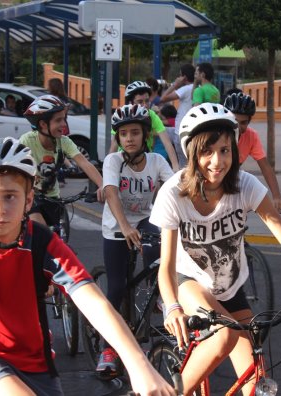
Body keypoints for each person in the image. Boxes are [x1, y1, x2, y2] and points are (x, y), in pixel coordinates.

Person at [0, 136, 175, 396]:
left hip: (37, 362)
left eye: (10, 196)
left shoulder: (40, 241)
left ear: (29, 200)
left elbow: (93, 301)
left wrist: (140, 366)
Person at [149, 103, 281, 395]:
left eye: (225, 150)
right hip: (189, 283)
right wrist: (173, 307)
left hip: (231, 287)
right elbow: (166, 266)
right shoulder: (174, 194)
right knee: (224, 335)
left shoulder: (245, 186)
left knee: (256, 385)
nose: (217, 161)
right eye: (207, 152)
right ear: (192, 154)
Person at [97, 104, 174, 378]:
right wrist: (125, 226)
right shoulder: (113, 161)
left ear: (145, 136)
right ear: (118, 138)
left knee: (158, 254)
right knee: (117, 287)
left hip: (145, 219)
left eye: (135, 133)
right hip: (116, 225)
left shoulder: (156, 161)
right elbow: (111, 193)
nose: (129, 138)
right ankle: (107, 349)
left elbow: (175, 188)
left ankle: (159, 296)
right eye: (124, 134)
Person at [20, 95, 104, 227]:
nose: (64, 124)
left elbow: (85, 163)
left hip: (53, 198)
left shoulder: (64, 142)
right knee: (42, 233)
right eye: (58, 120)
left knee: (57, 237)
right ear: (42, 124)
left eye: (64, 119)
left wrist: (102, 185)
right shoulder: (27, 141)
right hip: (31, 198)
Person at [224, 92, 281, 213]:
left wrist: (276, 196)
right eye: (235, 121)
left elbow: (265, 167)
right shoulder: (218, 132)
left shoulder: (251, 136)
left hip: (230, 182)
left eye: (244, 123)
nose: (239, 127)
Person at [109, 81, 179, 171]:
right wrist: (108, 169)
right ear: (130, 102)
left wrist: (175, 166)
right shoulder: (122, 116)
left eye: (147, 101)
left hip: (144, 161)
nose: (145, 105)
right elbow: (114, 146)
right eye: (140, 102)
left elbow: (167, 143)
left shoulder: (152, 115)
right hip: (124, 161)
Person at [159, 63, 195, 167]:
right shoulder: (197, 88)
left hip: (180, 131)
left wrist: (175, 85)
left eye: (179, 75)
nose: (178, 78)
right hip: (188, 131)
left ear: (184, 77)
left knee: (183, 165)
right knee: (160, 130)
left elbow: (163, 99)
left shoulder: (186, 89)